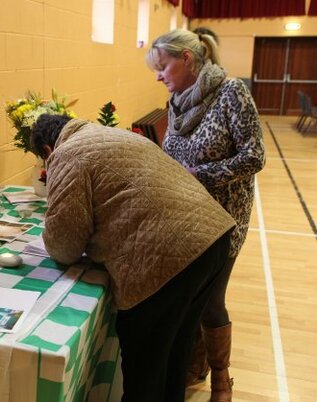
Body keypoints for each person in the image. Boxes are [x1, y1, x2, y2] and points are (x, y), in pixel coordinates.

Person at [30, 113, 236, 402]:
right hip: (213, 237)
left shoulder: (67, 153)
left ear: (47, 149)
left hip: (168, 257)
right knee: (176, 354)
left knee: (145, 371)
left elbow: (64, 245)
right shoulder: (110, 134)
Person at [146, 29, 266, 401]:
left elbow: (254, 156)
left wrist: (201, 175)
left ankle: (221, 378)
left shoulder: (232, 93)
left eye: (163, 66)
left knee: (211, 300)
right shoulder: (176, 102)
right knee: (189, 295)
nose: (158, 76)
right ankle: (194, 365)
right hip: (186, 215)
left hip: (224, 217)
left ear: (186, 59)